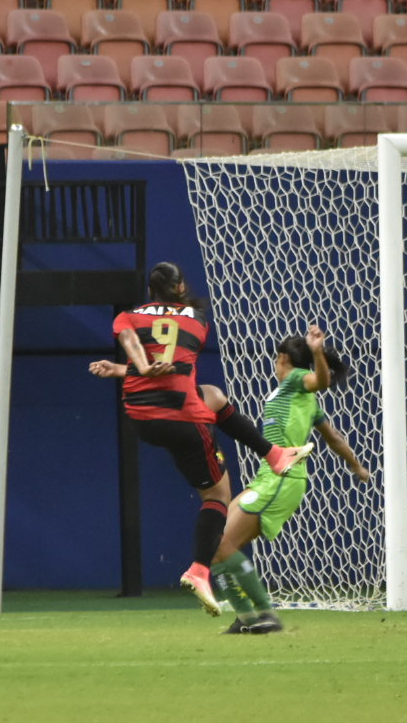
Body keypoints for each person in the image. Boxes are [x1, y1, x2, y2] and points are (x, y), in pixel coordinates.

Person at [88, 262, 311, 613]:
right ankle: (199, 570)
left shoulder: (128, 316)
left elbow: (134, 343)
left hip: (140, 418)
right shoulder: (197, 319)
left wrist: (130, 368)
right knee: (218, 495)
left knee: (215, 395)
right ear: (180, 288)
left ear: (150, 291)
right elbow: (176, 365)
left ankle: (274, 455)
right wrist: (149, 367)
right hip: (181, 417)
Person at [207, 326, 370, 634]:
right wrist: (356, 466)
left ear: (281, 358)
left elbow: (321, 381)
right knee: (214, 543)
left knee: (223, 544)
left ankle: (264, 614)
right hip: (268, 477)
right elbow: (333, 437)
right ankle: (246, 618)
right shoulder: (296, 398)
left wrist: (317, 352)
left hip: (282, 478)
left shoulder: (296, 380)